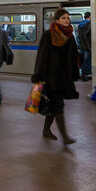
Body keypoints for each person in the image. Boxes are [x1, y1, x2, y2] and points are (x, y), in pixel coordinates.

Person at [32, 8, 80, 144]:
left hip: (64, 77)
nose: (67, 20)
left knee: (54, 106)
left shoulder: (70, 36)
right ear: (57, 20)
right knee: (58, 105)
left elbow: (74, 57)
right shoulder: (48, 35)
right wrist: (38, 75)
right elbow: (42, 57)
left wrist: (75, 72)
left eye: (68, 17)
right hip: (50, 77)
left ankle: (46, 130)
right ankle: (65, 137)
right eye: (63, 18)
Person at [76, 12, 92, 80]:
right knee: (88, 60)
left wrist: (80, 46)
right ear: (90, 16)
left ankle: (84, 73)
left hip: (83, 45)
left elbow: (78, 36)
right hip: (89, 45)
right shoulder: (89, 24)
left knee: (85, 59)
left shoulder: (80, 25)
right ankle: (86, 73)